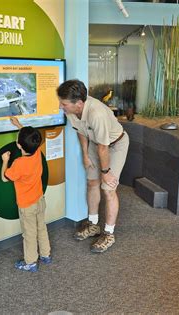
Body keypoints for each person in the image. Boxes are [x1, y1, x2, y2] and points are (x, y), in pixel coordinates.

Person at [57, 79, 129, 253]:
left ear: (79, 103)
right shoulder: (72, 110)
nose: (60, 106)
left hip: (115, 144)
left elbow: (104, 148)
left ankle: (109, 233)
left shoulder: (97, 113)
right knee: (91, 183)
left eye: (63, 104)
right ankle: (93, 224)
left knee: (108, 188)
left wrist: (106, 172)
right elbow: (81, 132)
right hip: (95, 144)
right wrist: (85, 155)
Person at [1, 120, 51, 272]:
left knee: (29, 234)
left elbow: (4, 177)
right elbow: (30, 140)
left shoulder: (18, 163)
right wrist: (19, 126)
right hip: (39, 200)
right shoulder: (36, 152)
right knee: (41, 228)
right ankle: (45, 255)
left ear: (19, 145)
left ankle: (30, 262)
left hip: (26, 206)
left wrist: (5, 161)